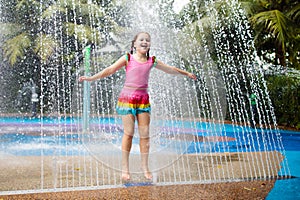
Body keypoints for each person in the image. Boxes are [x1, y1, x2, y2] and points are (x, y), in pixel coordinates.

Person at [79, 32, 197, 181]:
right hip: (127, 99)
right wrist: (91, 78)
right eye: (141, 39)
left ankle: (145, 167)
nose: (144, 42)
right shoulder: (127, 58)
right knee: (128, 133)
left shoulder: (151, 61)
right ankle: (125, 169)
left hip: (143, 100)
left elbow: (170, 69)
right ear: (134, 44)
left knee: (145, 135)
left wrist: (186, 73)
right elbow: (109, 70)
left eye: (147, 40)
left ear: (150, 45)